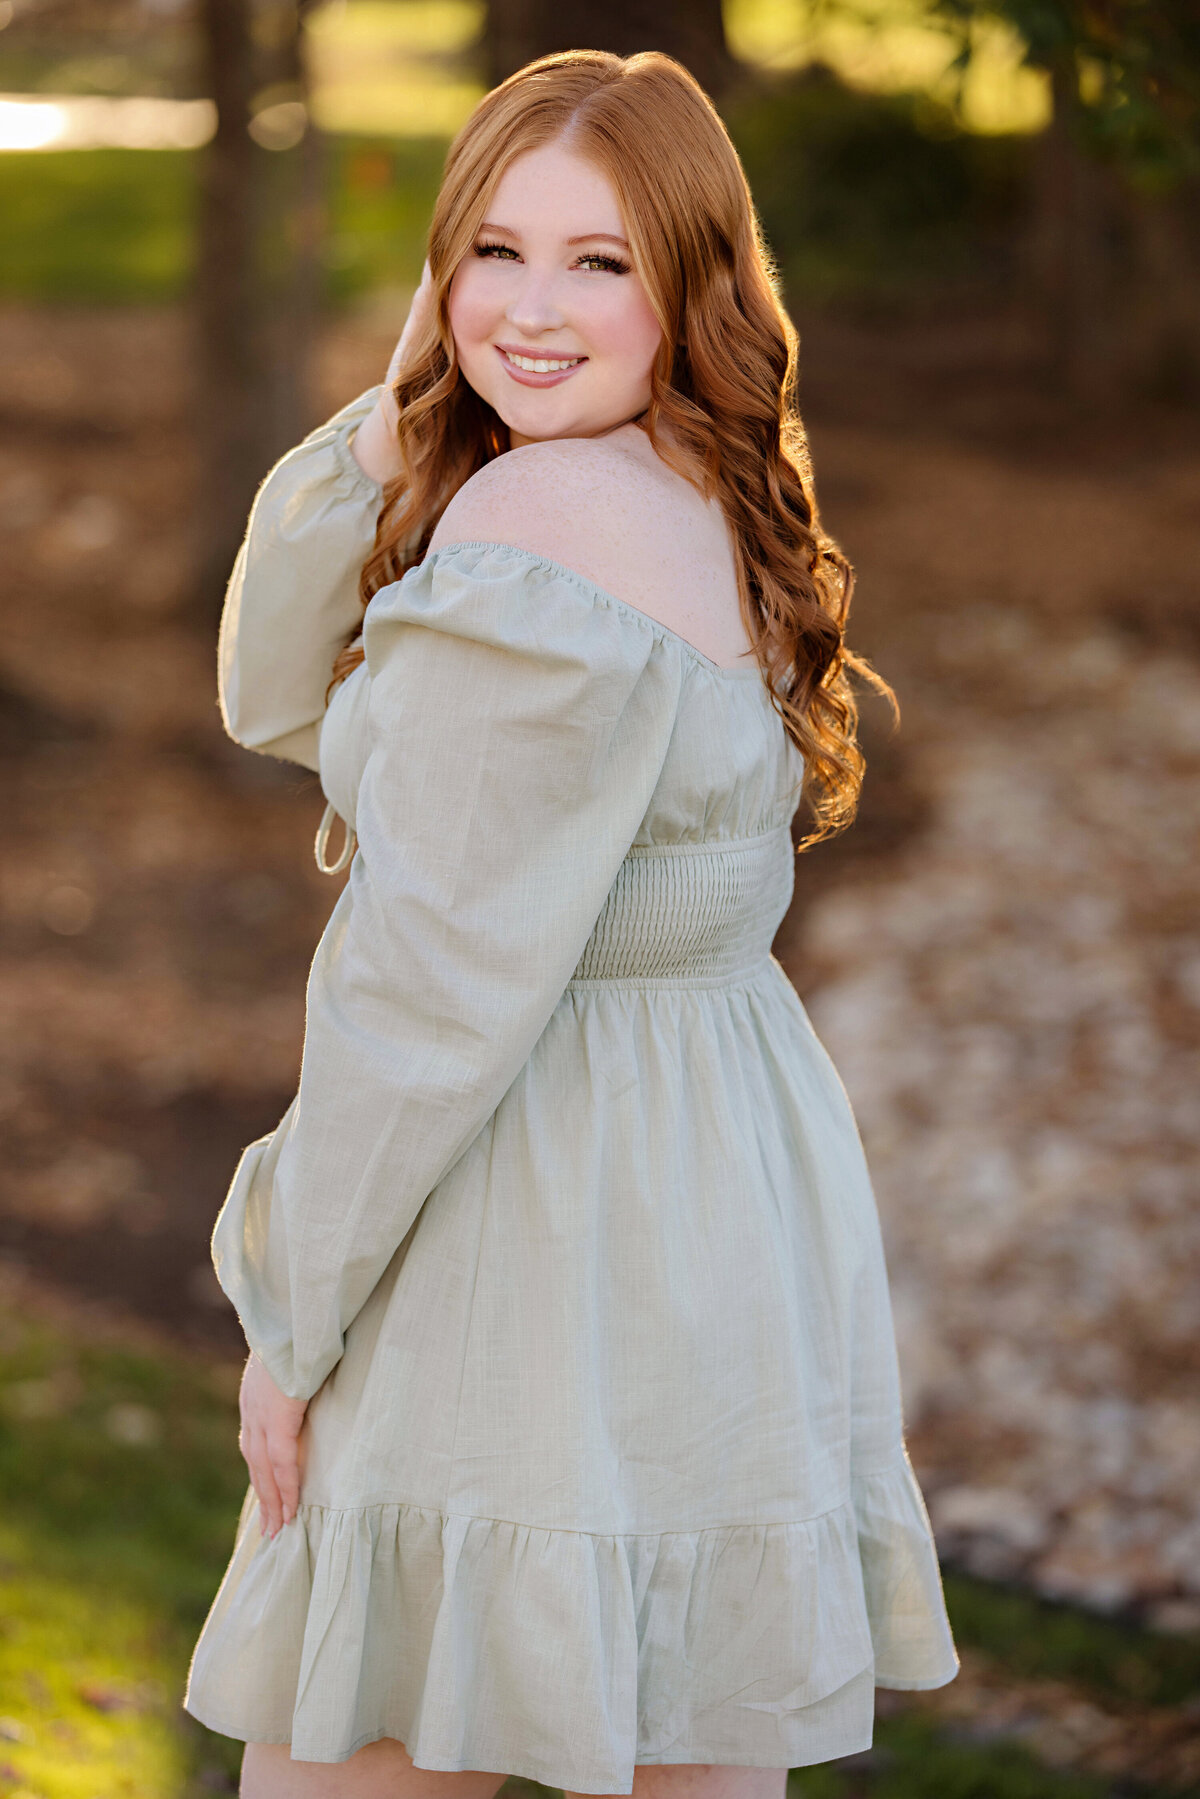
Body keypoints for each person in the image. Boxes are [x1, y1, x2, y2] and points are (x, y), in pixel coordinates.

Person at [182, 47, 959, 1799]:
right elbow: (274, 690)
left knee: (345, 1755)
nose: (532, 311)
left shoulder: (533, 532)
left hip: (518, 1204)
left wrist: (292, 1325)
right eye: (494, 253)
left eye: (598, 263)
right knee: (683, 1735)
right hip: (716, 1196)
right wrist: (411, 403)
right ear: (435, 269)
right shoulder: (712, 499)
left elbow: (426, 991)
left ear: (689, 280)